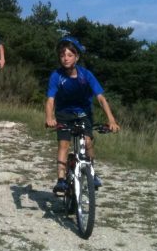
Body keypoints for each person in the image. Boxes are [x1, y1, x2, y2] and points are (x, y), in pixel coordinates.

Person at [44, 36, 120, 193]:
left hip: (84, 113)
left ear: (77, 57)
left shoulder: (86, 75)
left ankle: (92, 172)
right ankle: (60, 179)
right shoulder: (56, 76)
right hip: (64, 113)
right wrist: (49, 118)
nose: (65, 58)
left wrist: (111, 120)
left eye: (70, 55)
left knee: (87, 141)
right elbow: (50, 100)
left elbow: (101, 98)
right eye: (62, 55)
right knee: (64, 144)